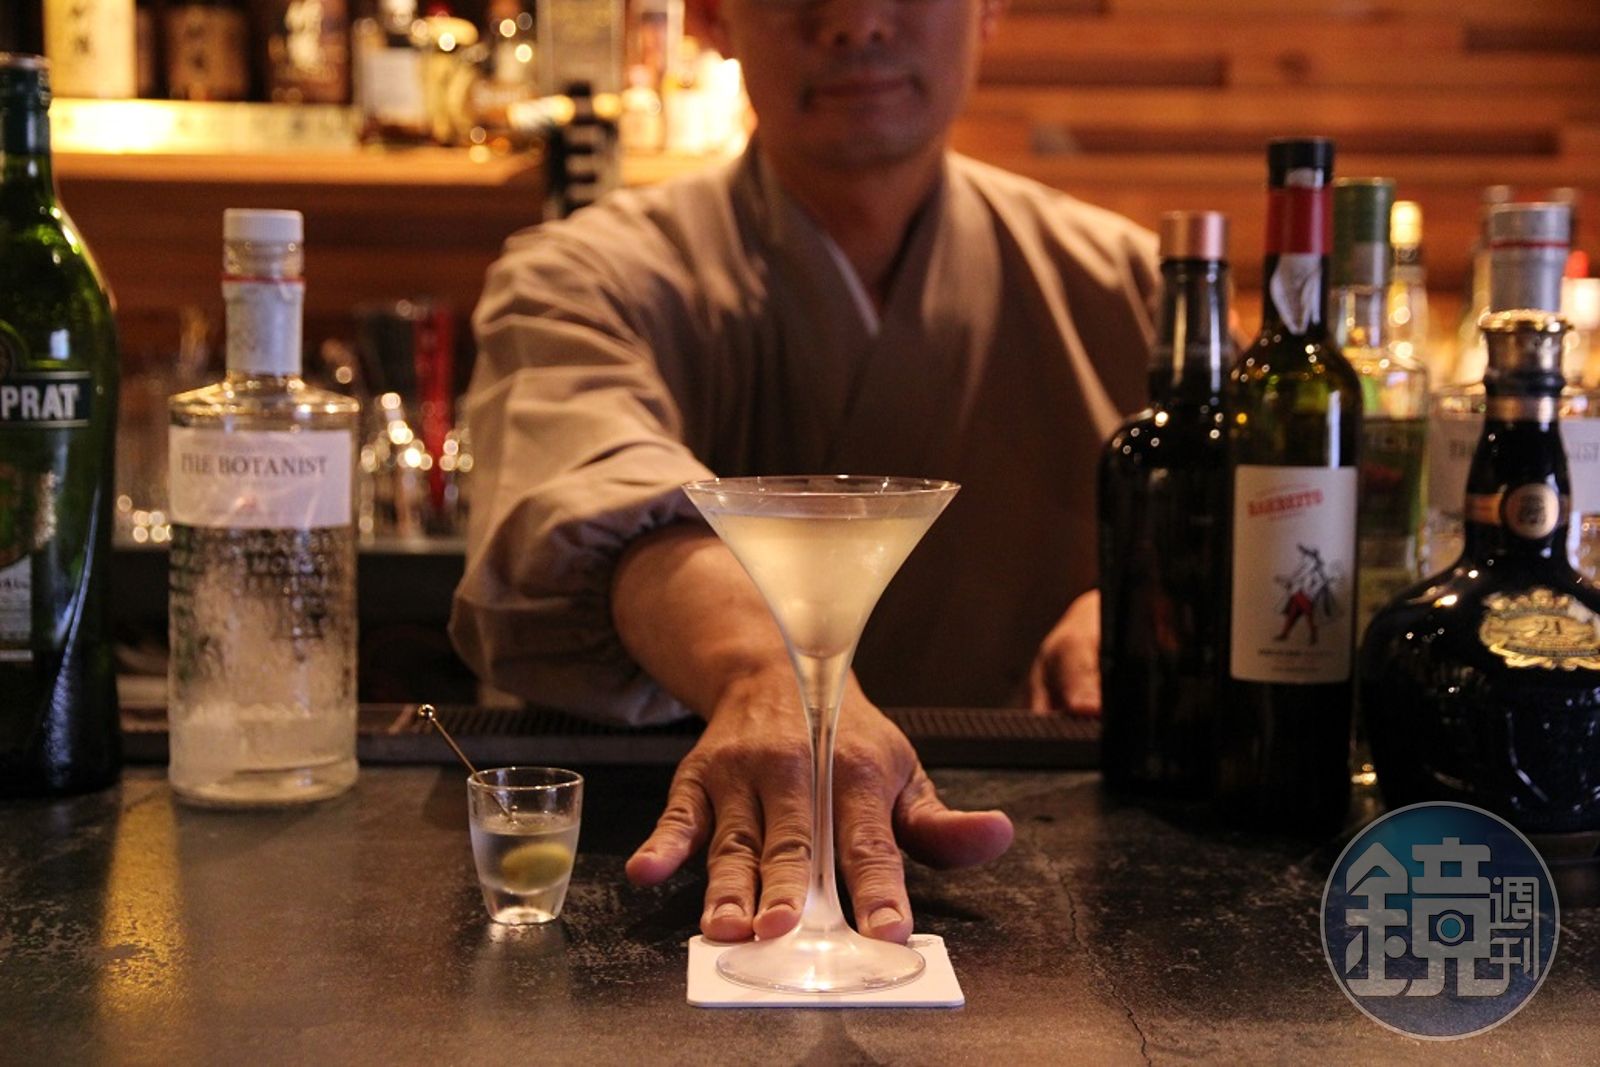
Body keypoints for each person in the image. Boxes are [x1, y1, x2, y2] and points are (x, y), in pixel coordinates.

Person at [450, 0, 1160, 944]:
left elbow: (1261, 541)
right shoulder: (580, 278)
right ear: (713, 17)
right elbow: (589, 486)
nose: (857, 21)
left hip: (1042, 895)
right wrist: (760, 674)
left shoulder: (1132, 289)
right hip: (679, 891)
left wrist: (1141, 604)